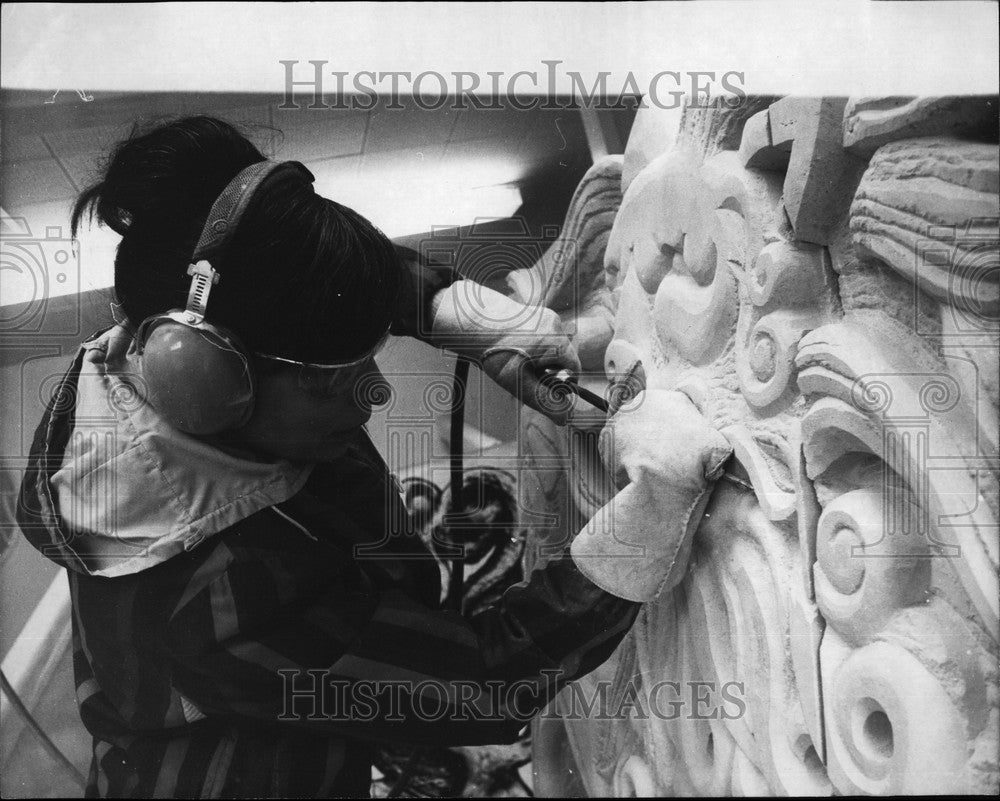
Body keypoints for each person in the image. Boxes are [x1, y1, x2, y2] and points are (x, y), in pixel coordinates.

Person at [17, 116, 731, 798]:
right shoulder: (216, 596)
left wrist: (472, 318)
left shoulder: (184, 316)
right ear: (209, 380)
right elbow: (480, 681)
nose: (374, 394)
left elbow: (335, 267)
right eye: (329, 378)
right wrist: (642, 523)